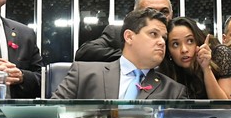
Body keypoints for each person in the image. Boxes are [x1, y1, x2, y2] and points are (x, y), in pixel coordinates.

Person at [53, 8, 188, 100]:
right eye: (153, 34)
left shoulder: (174, 91)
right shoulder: (83, 74)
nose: (161, 42)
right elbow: (51, 117)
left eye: (164, 38)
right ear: (129, 37)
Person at [75, 0, 174, 62]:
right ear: (136, 14)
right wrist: (132, 56)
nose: (159, 16)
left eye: (164, 11)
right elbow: (85, 52)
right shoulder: (118, 33)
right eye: (150, 11)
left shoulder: (178, 35)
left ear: (172, 14)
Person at [161, 16, 231, 99]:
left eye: (190, 41)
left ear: (198, 42)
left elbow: (226, 106)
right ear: (168, 51)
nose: (184, 50)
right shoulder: (168, 70)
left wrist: (206, 68)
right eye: (175, 44)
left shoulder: (222, 54)